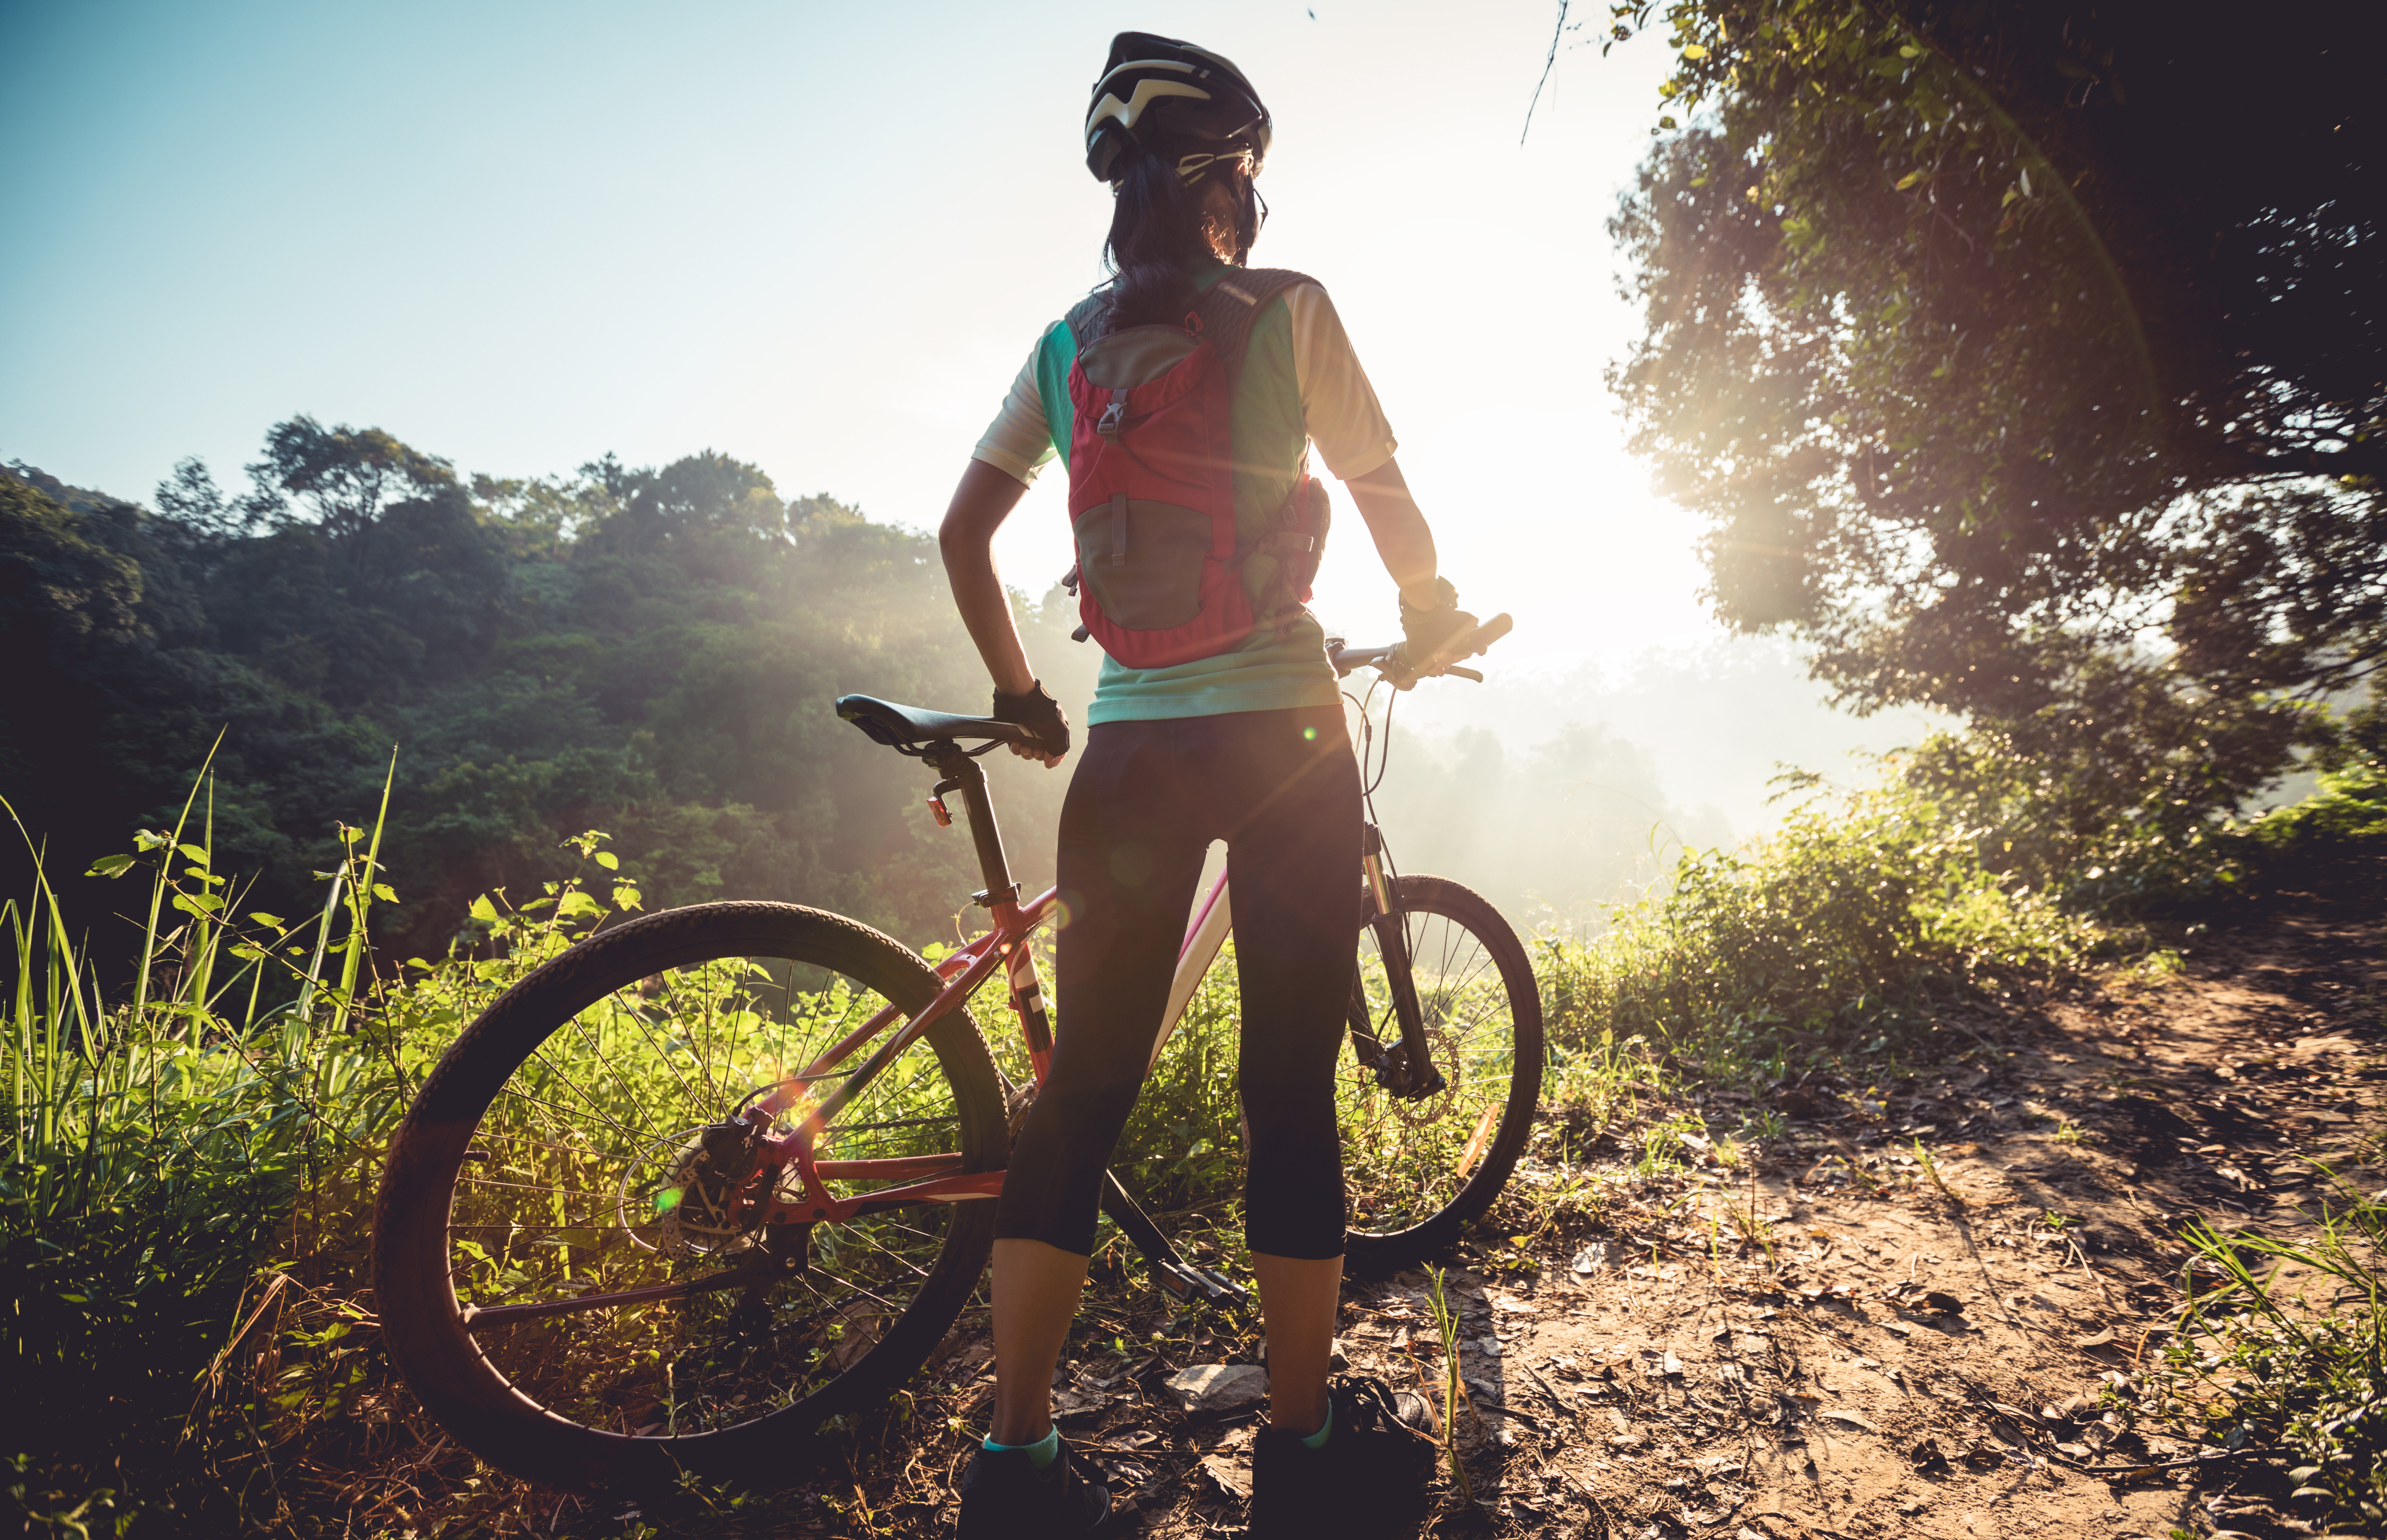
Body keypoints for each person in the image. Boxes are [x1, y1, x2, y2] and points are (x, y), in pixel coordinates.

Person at [937, 33, 1481, 1538]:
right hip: (1288, 742)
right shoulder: (1289, 309)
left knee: (1080, 1093)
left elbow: (964, 535)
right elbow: (1381, 495)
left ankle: (1016, 1465)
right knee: (1286, 1090)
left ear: (1122, 192)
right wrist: (1432, 611)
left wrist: (1021, 693)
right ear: (1229, 176)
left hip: (1127, 750)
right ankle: (1299, 1458)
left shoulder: (1066, 343)